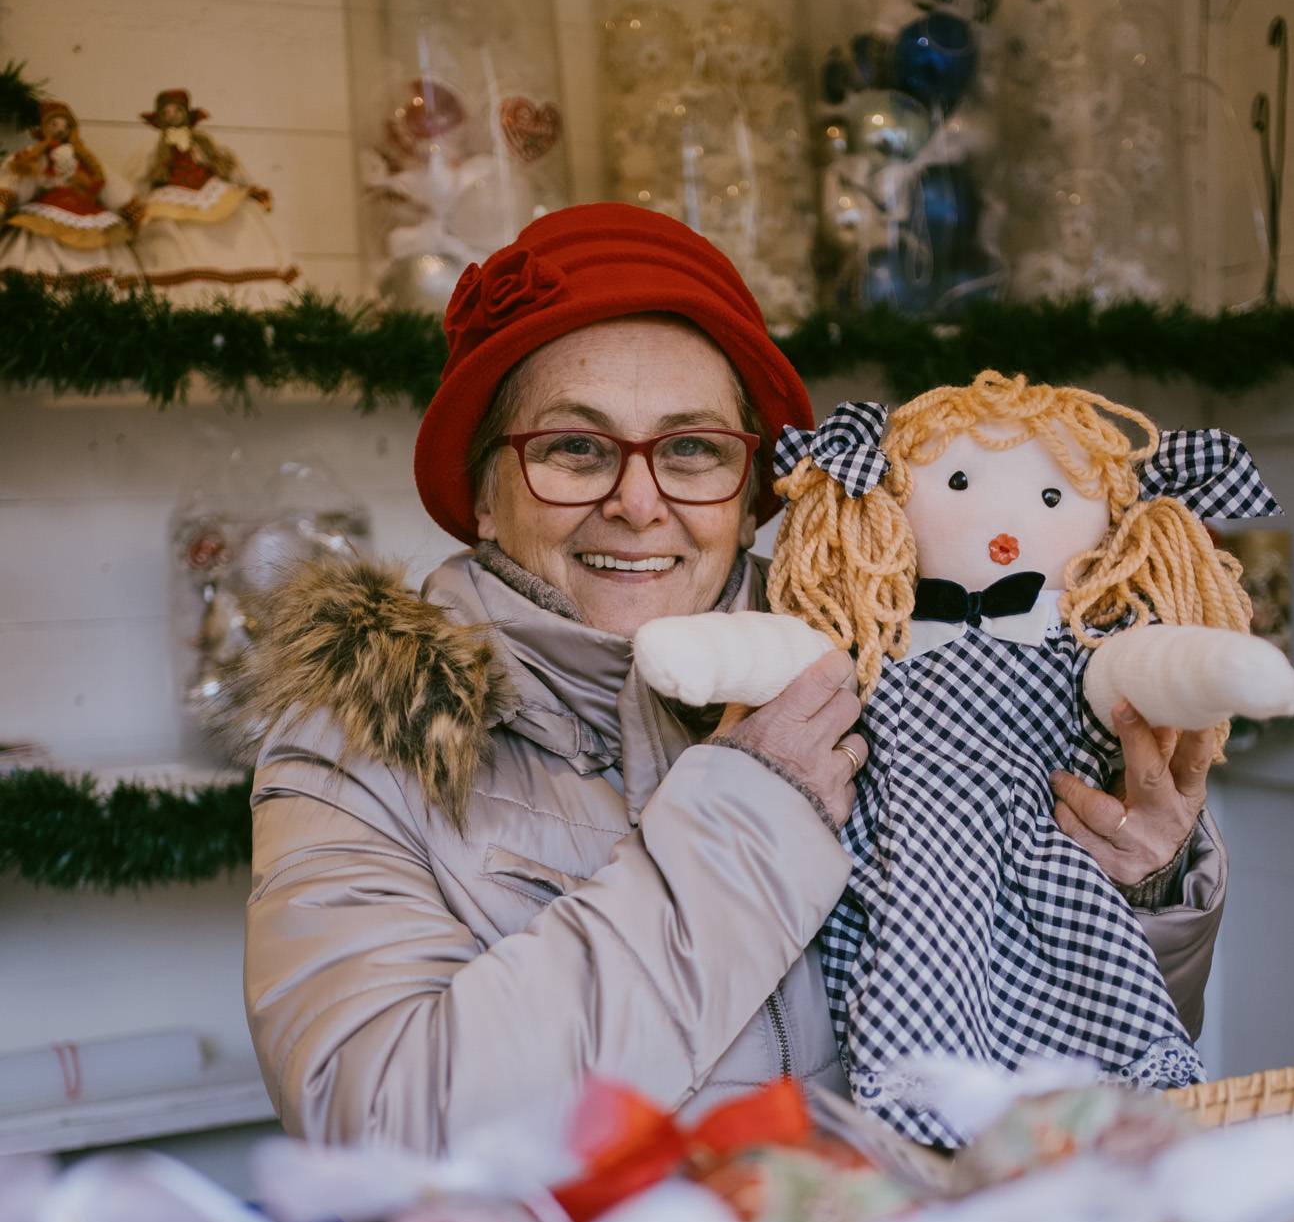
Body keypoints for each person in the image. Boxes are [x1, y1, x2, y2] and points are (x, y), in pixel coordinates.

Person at [240, 204, 1226, 1153]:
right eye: (575, 448)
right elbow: (377, 1125)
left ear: (753, 491)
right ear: (486, 494)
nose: (638, 501)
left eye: (692, 449)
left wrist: (1140, 902)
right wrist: (749, 825)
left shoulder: (885, 676)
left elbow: (1064, 1068)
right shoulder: (363, 737)